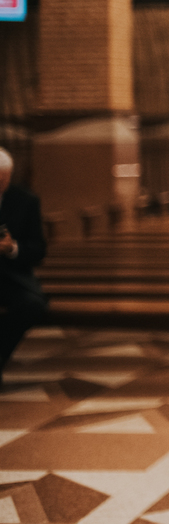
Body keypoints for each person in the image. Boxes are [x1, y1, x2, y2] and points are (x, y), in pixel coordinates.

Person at [0, 147, 48, 386]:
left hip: (12, 277)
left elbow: (38, 250)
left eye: (1, 181)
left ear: (9, 176)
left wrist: (12, 248)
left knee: (32, 305)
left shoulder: (26, 201)